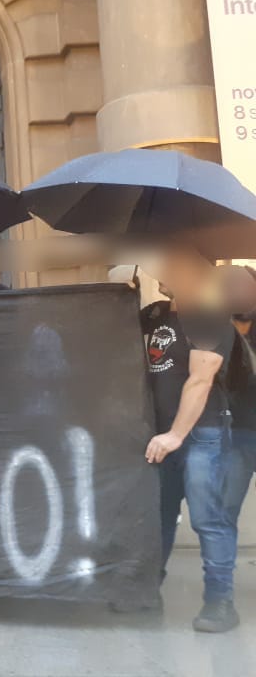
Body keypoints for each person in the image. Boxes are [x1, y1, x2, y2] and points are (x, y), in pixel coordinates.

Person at [142, 246, 240, 633]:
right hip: (160, 435)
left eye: (172, 264)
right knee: (158, 518)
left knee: (208, 520)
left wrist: (175, 435)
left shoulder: (210, 315)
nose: (161, 268)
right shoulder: (155, 315)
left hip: (202, 435)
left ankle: (220, 603)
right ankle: (146, 589)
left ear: (198, 273)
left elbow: (200, 380)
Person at [221, 266, 256, 589]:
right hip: (234, 435)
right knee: (225, 509)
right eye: (229, 286)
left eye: (244, 285)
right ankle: (223, 584)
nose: (238, 292)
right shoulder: (214, 329)